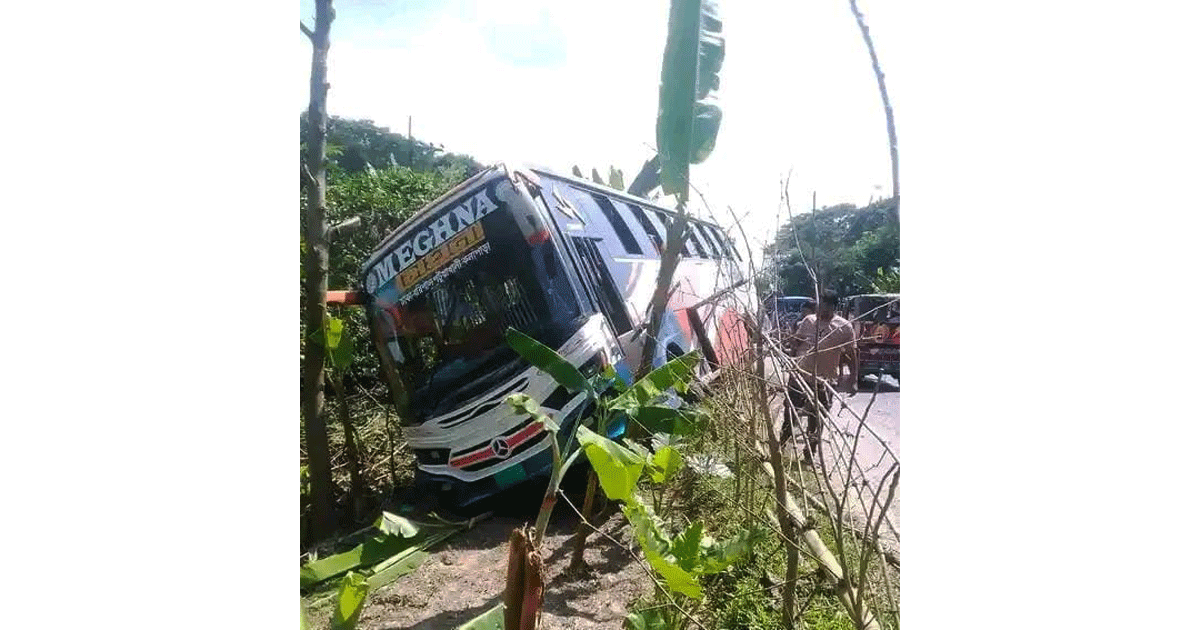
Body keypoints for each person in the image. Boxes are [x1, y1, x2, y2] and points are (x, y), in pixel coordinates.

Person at [780, 289, 858, 463]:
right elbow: (796, 343)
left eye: (824, 305)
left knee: (817, 418)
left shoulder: (844, 327)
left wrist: (853, 379)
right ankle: (780, 446)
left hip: (824, 380)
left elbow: (852, 354)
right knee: (790, 412)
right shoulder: (808, 321)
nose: (820, 308)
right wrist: (790, 340)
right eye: (819, 304)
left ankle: (810, 453)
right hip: (800, 376)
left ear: (832, 307)